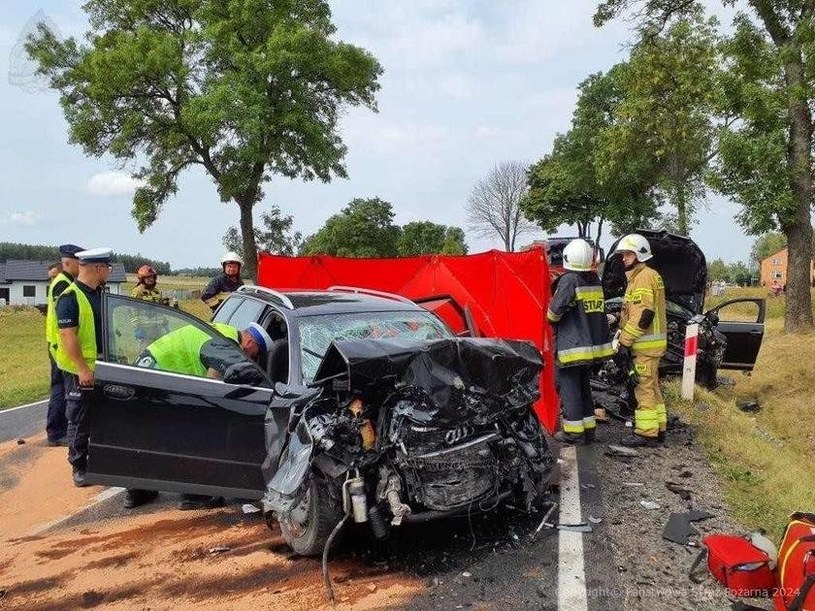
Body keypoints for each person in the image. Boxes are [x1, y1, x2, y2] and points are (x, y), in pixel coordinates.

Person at [129, 320, 273, 511]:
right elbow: (218, 380)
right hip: (159, 377)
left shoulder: (221, 331)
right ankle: (194, 495)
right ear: (250, 342)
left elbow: (210, 375)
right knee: (199, 432)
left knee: (149, 436)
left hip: (146, 369)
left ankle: (137, 490)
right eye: (256, 354)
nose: (254, 359)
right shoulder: (224, 343)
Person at [52, 247, 112, 486]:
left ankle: (99, 460)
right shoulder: (70, 296)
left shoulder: (99, 294)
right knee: (79, 416)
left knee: (101, 415)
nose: (108, 271)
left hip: (101, 365)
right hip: (81, 370)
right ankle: (78, 465)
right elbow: (68, 335)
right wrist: (82, 369)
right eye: (107, 267)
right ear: (98, 268)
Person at [547, 239, 615, 445]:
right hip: (590, 350)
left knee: (569, 389)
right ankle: (588, 430)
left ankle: (574, 433)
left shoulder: (569, 281)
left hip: (572, 348)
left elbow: (553, 314)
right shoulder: (594, 280)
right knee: (584, 388)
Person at [612, 234, 668, 448]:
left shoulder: (643, 277)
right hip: (652, 346)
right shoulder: (647, 275)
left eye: (627, 254)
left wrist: (625, 342)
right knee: (652, 388)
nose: (623, 258)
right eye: (623, 254)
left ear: (639, 254)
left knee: (643, 389)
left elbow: (643, 314)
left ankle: (646, 433)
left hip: (644, 346)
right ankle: (659, 428)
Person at [44, 244, 84, 447]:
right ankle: (56, 431)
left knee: (60, 387)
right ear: (70, 262)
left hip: (56, 343)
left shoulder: (64, 280)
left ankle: (57, 429)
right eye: (80, 262)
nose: (82, 266)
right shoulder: (62, 284)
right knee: (61, 388)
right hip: (59, 345)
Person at [130, 264, 170, 346]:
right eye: (148, 277)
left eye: (152, 277)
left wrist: (165, 323)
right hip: (146, 329)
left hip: (159, 328)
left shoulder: (156, 292)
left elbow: (161, 310)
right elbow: (133, 311)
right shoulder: (137, 292)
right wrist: (137, 328)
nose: (151, 279)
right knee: (146, 353)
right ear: (142, 278)